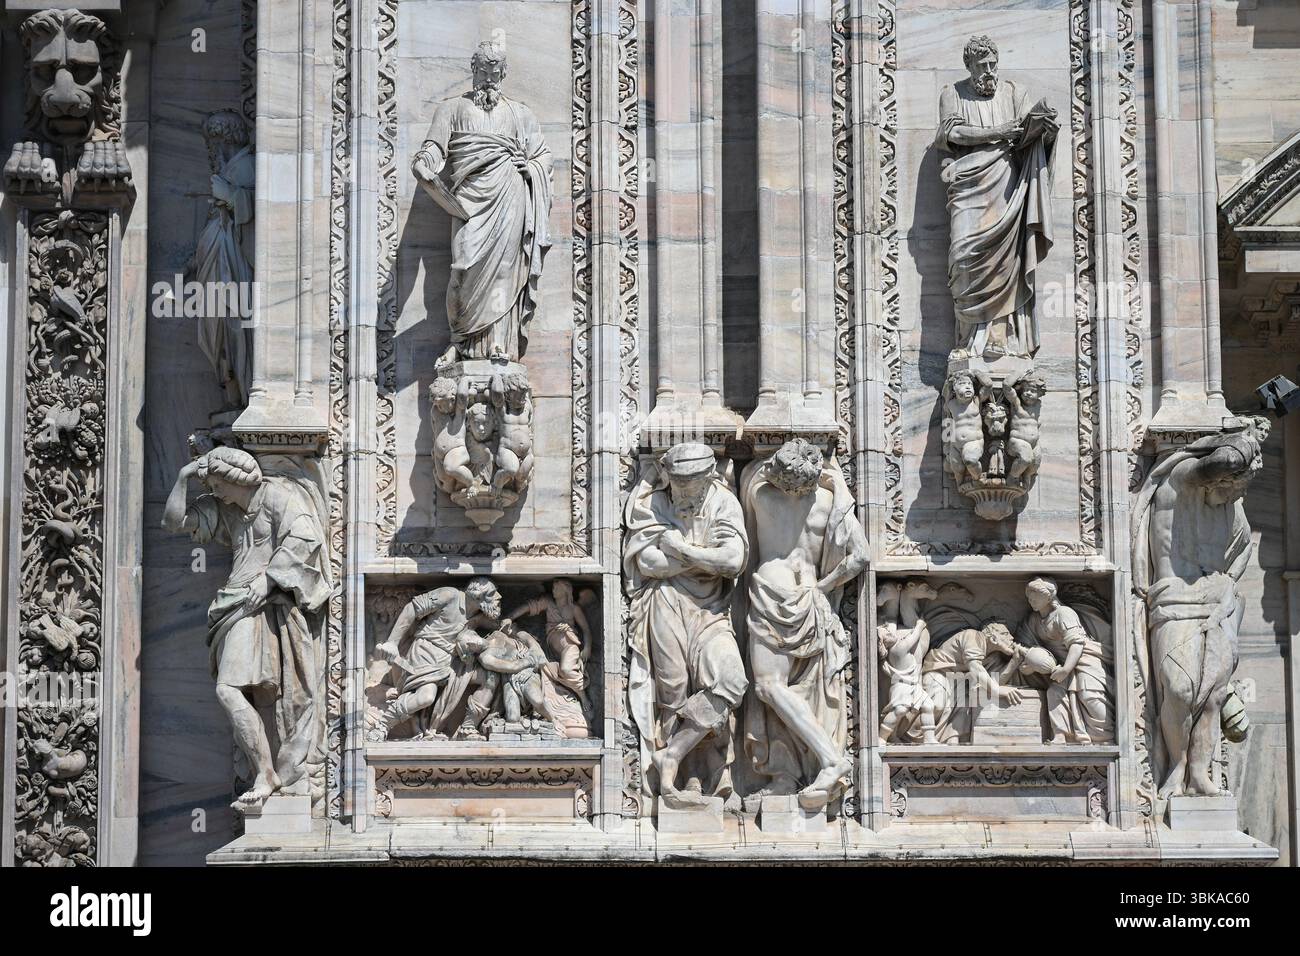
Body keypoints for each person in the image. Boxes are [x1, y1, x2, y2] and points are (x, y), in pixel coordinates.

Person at [162, 446, 331, 811]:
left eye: (218, 483)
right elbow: (173, 522)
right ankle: (267, 773)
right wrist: (183, 477)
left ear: (236, 478)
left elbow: (305, 538)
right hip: (234, 606)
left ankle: (270, 774)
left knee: (243, 692)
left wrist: (269, 579)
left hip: (263, 607)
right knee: (249, 694)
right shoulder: (226, 509)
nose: (215, 491)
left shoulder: (277, 496)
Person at [1132, 417, 1267, 797]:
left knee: (1212, 696)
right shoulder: (1181, 483)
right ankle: (1175, 766)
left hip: (1218, 601)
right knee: (1178, 688)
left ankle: (1199, 773)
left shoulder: (1233, 510)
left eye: (1243, 486)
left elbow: (1240, 556)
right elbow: (1213, 463)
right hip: (1175, 599)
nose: (1237, 493)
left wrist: (1225, 589)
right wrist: (1245, 442)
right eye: (1235, 484)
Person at [740, 439, 866, 808]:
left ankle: (829, 759)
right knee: (803, 688)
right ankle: (793, 771)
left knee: (768, 686)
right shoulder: (828, 501)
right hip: (811, 600)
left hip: (769, 595)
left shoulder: (760, 491)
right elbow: (860, 556)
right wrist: (822, 587)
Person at [624, 443, 749, 808]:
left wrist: (682, 550)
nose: (680, 492)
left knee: (730, 680)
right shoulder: (654, 502)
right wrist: (706, 561)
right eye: (675, 483)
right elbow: (649, 563)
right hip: (664, 604)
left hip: (712, 614)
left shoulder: (724, 503)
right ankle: (688, 776)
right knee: (674, 692)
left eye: (688, 485)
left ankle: (672, 755)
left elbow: (734, 560)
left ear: (708, 477)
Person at [412, 41, 553, 364]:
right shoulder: (452, 109)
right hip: (468, 203)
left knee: (505, 270)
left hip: (510, 198)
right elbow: (435, 146)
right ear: (473, 71)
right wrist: (424, 162)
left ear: (503, 73)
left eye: (495, 73)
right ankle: (460, 340)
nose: (489, 79)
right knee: (463, 268)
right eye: (483, 72)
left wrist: (530, 169)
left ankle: (499, 345)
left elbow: (543, 156)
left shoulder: (521, 114)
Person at [936, 35, 1057, 360]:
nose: (989, 71)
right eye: (982, 65)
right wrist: (996, 133)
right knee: (964, 257)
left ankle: (1001, 339)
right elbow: (952, 133)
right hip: (969, 188)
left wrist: (1045, 131)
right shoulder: (953, 93)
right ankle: (967, 338)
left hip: (1008, 187)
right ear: (969, 66)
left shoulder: (1015, 92)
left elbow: (1029, 136)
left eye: (993, 64)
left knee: (1007, 263)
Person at [368, 578, 503, 741]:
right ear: (479, 596)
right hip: (426, 654)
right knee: (426, 697)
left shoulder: (479, 615)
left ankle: (467, 728)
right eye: (494, 594)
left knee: (490, 678)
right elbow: (413, 608)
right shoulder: (449, 595)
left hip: (454, 662)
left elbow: (498, 625)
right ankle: (383, 725)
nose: (499, 597)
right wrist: (392, 642)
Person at [188, 109, 255, 409]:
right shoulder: (228, 171)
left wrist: (231, 196)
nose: (210, 152)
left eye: (212, 144)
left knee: (236, 328)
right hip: (216, 265)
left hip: (236, 268)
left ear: (223, 139)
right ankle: (232, 389)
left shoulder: (248, 167)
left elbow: (273, 220)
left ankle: (244, 392)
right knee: (219, 332)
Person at [1019, 578, 1113, 744]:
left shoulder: (1064, 613)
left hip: (1084, 659)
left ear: (1048, 597)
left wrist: (1066, 670)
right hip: (1061, 665)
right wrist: (1029, 666)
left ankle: (1105, 738)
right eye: (1029, 598)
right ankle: (1061, 736)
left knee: (1090, 695)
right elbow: (1023, 646)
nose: (1031, 601)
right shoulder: (1033, 620)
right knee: (1054, 693)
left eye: (1035, 597)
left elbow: (1076, 644)